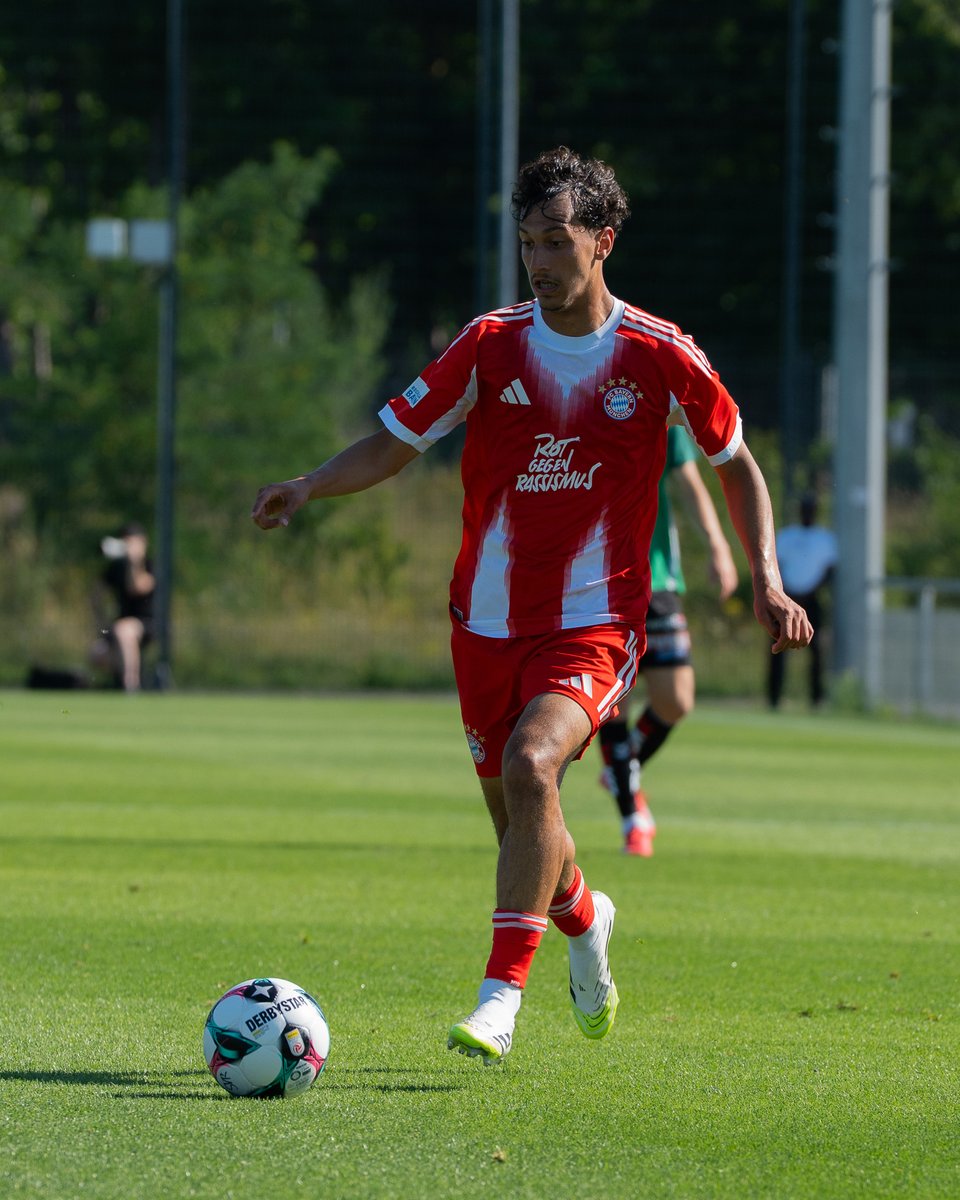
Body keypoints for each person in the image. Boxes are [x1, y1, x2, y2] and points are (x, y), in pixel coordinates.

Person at [251, 146, 812, 1065]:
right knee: (524, 822)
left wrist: (766, 576)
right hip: (483, 624)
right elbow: (393, 444)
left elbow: (737, 466)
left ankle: (498, 998)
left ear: (604, 241)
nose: (541, 261)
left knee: (534, 763)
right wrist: (309, 486)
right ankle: (586, 924)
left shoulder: (660, 354)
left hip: (597, 624)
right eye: (527, 244)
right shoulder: (489, 344)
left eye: (557, 241)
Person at [598, 424, 739, 856]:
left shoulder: (660, 403)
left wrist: (718, 544)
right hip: (597, 575)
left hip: (656, 578)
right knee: (612, 701)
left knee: (676, 699)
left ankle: (623, 768)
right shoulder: (578, 386)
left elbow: (687, 477)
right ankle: (632, 818)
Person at [768, 492, 838, 709]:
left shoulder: (824, 538)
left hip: (812, 599)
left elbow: (829, 571)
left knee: (817, 649)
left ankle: (816, 699)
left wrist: (808, 593)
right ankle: (774, 698)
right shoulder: (787, 535)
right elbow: (775, 565)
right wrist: (787, 594)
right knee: (777, 646)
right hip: (787, 599)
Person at [90, 522, 156, 692]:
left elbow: (137, 588)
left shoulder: (150, 565)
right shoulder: (117, 567)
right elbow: (96, 593)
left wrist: (135, 563)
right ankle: (117, 680)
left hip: (148, 623)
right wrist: (100, 622)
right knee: (97, 654)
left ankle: (131, 684)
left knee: (125, 630)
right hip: (121, 625)